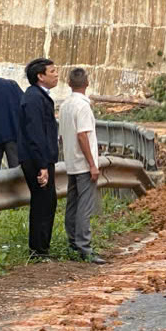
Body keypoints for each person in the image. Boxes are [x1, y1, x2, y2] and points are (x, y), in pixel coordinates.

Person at [59, 68, 106, 264]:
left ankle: (72, 243)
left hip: (71, 161)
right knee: (84, 206)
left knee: (72, 204)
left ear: (69, 83)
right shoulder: (83, 107)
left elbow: (63, 137)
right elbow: (82, 135)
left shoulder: (65, 105)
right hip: (83, 164)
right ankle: (84, 247)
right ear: (86, 83)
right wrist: (92, 164)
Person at [19, 58, 59, 260]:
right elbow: (35, 133)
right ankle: (38, 251)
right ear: (40, 76)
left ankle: (42, 248)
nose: (56, 74)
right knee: (43, 203)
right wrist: (42, 165)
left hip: (41, 158)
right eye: (52, 71)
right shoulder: (33, 98)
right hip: (37, 160)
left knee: (48, 202)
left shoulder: (39, 96)